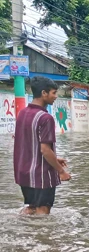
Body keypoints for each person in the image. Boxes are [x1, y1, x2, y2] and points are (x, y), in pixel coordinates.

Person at [14, 77, 71, 215]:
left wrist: (55, 159)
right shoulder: (46, 118)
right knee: (43, 210)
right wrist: (61, 171)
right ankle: (42, 237)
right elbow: (45, 150)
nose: (56, 97)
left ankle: (24, 233)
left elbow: (29, 145)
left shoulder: (22, 113)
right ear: (44, 93)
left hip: (24, 173)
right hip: (41, 175)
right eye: (54, 93)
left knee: (32, 208)